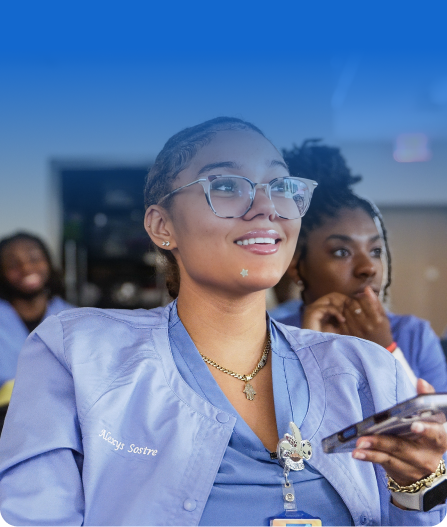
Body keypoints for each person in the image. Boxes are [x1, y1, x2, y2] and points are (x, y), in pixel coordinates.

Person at [0, 117, 446, 527]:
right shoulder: (77, 353)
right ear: (161, 226)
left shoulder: (368, 369)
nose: (267, 206)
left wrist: (421, 484)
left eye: (281, 187)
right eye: (229, 185)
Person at [270, 140, 447, 393]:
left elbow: (438, 428)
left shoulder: (413, 335)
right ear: (297, 265)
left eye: (375, 251)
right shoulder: (273, 336)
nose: (368, 268)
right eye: (342, 252)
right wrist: (309, 346)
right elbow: (289, 429)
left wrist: (386, 350)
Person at [0, 232, 74, 388]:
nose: (26, 268)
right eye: (13, 264)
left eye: (34, 259)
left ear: (48, 261)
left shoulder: (76, 319)